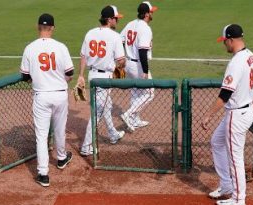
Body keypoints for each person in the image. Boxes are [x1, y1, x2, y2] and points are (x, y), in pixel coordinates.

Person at [201, 24, 253, 205]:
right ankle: (226, 184)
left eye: (225, 41)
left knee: (235, 158)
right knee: (217, 142)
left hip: (237, 114)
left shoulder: (236, 62)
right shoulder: (251, 56)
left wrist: (208, 115)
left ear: (231, 40)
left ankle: (238, 198)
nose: (224, 44)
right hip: (247, 108)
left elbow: (225, 94)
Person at [20, 13, 75, 187]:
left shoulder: (30, 48)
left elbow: (25, 76)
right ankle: (61, 158)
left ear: (38, 27)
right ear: (52, 28)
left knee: (41, 136)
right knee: (60, 129)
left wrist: (37, 80)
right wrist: (60, 80)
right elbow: (70, 73)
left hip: (41, 96)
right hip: (60, 94)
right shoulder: (61, 47)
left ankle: (43, 174)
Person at [77, 6, 127, 157]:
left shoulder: (90, 33)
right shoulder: (115, 36)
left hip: (92, 75)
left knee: (106, 105)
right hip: (105, 79)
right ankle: (86, 146)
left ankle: (112, 134)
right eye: (116, 18)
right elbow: (120, 61)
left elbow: (83, 56)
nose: (117, 20)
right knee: (97, 113)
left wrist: (81, 75)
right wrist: (122, 65)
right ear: (109, 19)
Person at [119, 2, 157, 132]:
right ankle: (128, 114)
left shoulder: (130, 24)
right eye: (151, 12)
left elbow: (120, 40)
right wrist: (145, 71)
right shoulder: (145, 28)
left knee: (136, 91)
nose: (152, 14)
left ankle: (134, 119)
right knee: (150, 93)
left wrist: (123, 56)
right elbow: (142, 51)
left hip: (128, 63)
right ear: (146, 14)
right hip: (138, 65)